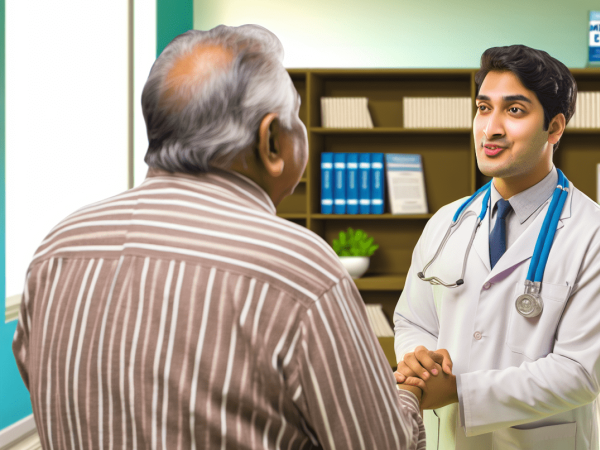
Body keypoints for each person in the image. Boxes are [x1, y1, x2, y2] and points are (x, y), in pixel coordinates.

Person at [12, 24, 425, 449]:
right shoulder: (298, 266)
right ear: (270, 141)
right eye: (296, 117)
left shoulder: (58, 248)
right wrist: (409, 394)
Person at [392, 45, 600, 449]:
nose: (491, 128)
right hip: (445, 436)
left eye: (515, 110)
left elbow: (577, 373)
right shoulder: (445, 223)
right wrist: (418, 356)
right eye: (484, 108)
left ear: (555, 128)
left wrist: (459, 391)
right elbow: (412, 319)